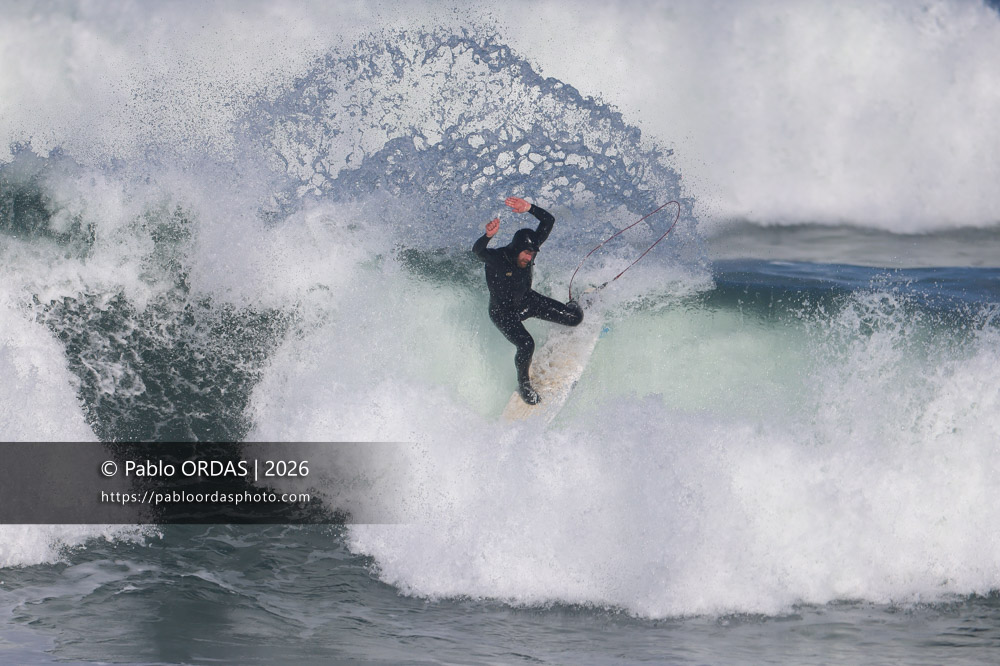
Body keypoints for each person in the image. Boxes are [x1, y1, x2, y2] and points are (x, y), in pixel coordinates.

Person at [472, 196, 583, 404]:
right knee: (526, 344)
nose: (529, 258)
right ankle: (524, 384)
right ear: (516, 249)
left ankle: (577, 301)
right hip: (503, 314)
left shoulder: (530, 249)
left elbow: (548, 221)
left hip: (527, 301)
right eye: (526, 253)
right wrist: (487, 236)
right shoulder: (498, 258)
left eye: (532, 254)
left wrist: (530, 208)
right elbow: (477, 251)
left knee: (574, 317)